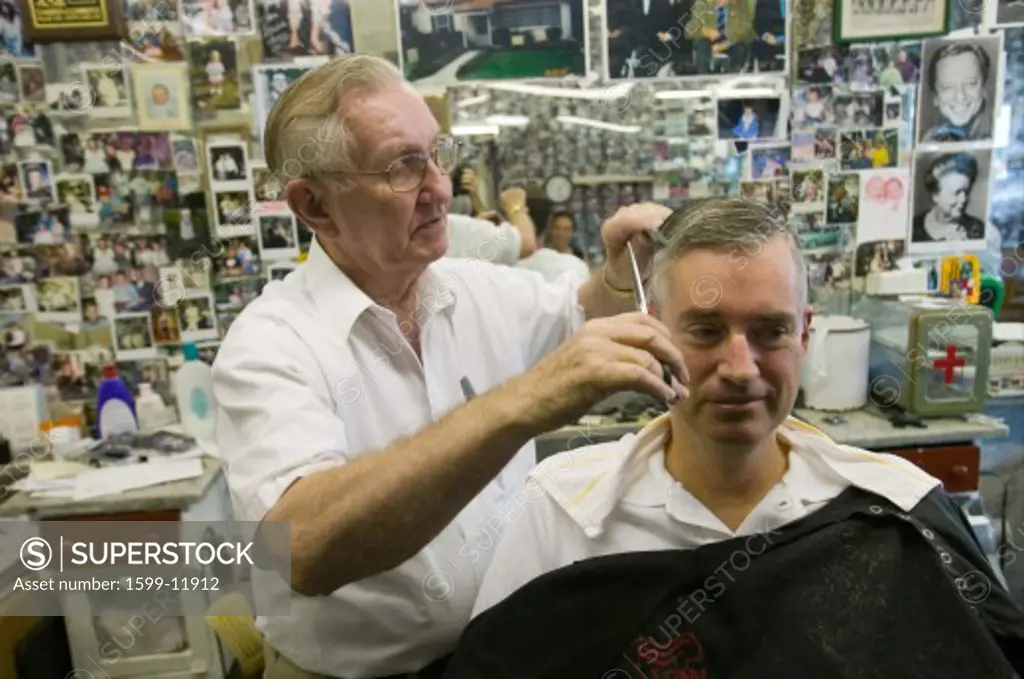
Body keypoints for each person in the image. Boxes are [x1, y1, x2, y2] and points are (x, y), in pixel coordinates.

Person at [211, 54, 688, 679]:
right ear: (315, 206)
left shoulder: (476, 290)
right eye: (404, 167)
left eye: (438, 154)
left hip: (503, 658)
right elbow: (299, 552)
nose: (439, 188)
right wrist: (519, 405)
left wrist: (623, 275)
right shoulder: (271, 344)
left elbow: (584, 315)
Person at [442, 198, 1024, 678]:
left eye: (770, 331)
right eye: (706, 330)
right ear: (653, 332)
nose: (740, 366)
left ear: (805, 333)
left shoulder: (898, 513)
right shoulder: (562, 513)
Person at [920, 41, 992, 142]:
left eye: (970, 83)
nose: (960, 97)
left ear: (983, 88)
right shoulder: (928, 141)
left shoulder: (999, 133)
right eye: (947, 87)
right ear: (935, 97)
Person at [912, 152, 986, 242]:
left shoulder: (977, 229)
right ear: (935, 195)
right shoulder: (914, 227)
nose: (963, 199)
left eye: (966, 192)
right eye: (956, 193)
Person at [517, 211, 591, 284]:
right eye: (557, 228)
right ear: (550, 230)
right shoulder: (540, 257)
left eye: (566, 229)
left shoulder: (580, 257)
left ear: (573, 232)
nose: (561, 233)